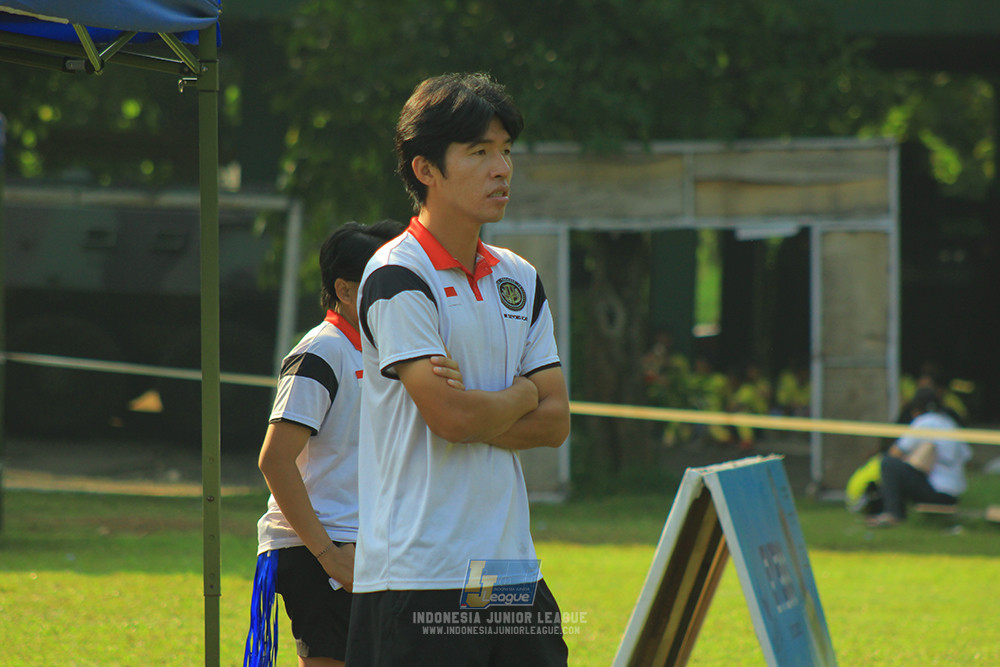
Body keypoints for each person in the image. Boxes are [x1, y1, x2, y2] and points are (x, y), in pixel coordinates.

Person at [346, 73, 571, 666]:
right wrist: (522, 393)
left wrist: (487, 409)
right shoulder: (397, 275)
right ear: (425, 169)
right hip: (419, 573)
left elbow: (555, 423)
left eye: (505, 151)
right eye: (478, 152)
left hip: (509, 570)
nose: (502, 169)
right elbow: (449, 417)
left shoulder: (519, 278)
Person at [244, 219, 433, 667]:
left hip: (375, 547)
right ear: (346, 291)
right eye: (382, 282)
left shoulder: (390, 350)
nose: (396, 294)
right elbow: (274, 460)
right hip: (322, 550)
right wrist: (329, 556)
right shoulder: (322, 351)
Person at [868, 387, 972, 528]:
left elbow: (895, 452)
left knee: (888, 464)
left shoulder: (925, 421)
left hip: (935, 492)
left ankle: (894, 514)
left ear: (916, 408)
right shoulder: (950, 423)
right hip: (952, 496)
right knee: (905, 469)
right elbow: (967, 456)